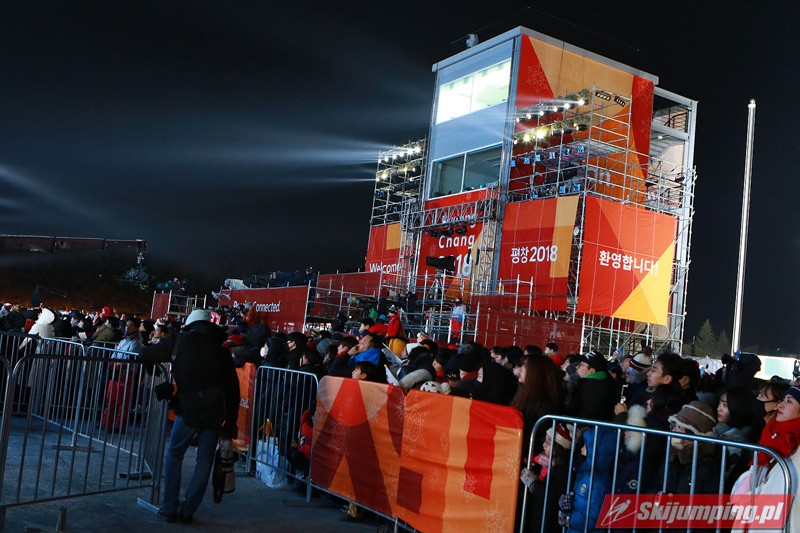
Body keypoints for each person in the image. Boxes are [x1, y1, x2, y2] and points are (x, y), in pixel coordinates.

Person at [138, 309, 239, 524]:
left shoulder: (179, 341)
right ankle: (188, 509)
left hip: (188, 408)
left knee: (175, 454)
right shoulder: (221, 351)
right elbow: (233, 389)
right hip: (214, 411)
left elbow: (146, 354)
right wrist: (230, 422)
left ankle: (170, 507)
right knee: (204, 460)